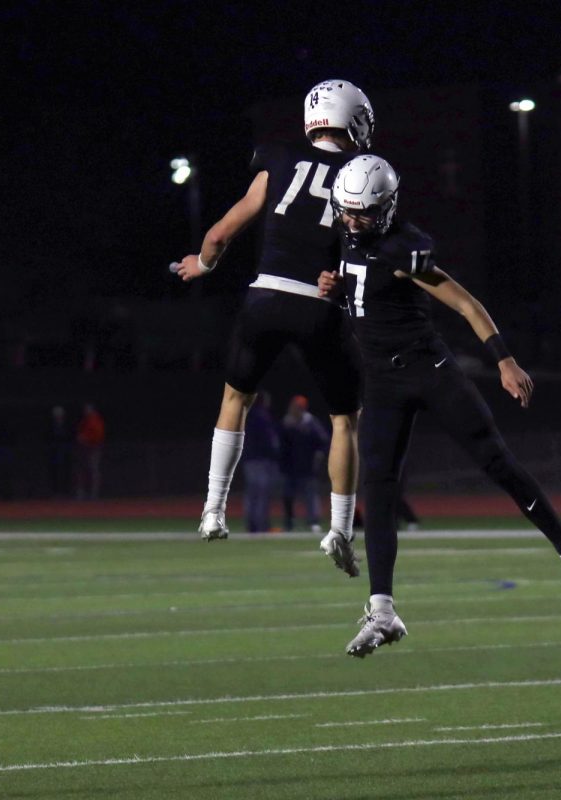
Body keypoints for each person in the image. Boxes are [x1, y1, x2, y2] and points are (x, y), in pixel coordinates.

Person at [318, 155, 561, 657]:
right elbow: (364, 293)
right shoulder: (348, 233)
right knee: (381, 491)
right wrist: (337, 291)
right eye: (347, 211)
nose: (352, 221)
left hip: (429, 370)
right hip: (382, 383)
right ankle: (382, 610)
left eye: (363, 213)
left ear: (387, 208)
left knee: (498, 463)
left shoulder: (403, 246)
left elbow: (466, 304)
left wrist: (504, 361)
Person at [173, 79, 373, 576]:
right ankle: (340, 530)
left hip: (264, 297)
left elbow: (222, 232)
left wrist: (202, 264)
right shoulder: (363, 172)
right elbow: (370, 251)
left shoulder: (278, 160)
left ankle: (213, 511)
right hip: (319, 305)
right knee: (345, 422)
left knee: (234, 399)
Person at [279, 394, 330, 532]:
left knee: (310, 495)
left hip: (307, 466)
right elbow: (282, 445)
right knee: (288, 495)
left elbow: (323, 441)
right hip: (290, 467)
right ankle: (289, 522)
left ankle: (313, 521)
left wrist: (319, 455)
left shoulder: (311, 423)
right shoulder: (287, 423)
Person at [241, 391, 281, 533]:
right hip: (261, 461)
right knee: (261, 495)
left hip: (249, 460)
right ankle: (261, 525)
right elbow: (271, 442)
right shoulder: (263, 417)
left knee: (252, 495)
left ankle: (252, 525)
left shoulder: (248, 416)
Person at [75, 403, 105, 500]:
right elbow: (80, 432)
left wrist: (86, 439)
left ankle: (93, 494)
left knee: (93, 470)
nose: (86, 411)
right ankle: (82, 493)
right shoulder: (85, 420)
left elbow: (98, 436)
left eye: (87, 409)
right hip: (84, 449)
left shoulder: (95, 420)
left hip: (93, 449)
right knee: (83, 471)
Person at [47, 405, 72, 498]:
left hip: (65, 450)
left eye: (59, 414)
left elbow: (69, 435)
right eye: (56, 414)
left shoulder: (67, 424)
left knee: (66, 470)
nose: (58, 415)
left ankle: (66, 491)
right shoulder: (50, 424)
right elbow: (48, 436)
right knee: (54, 471)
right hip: (54, 450)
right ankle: (55, 491)